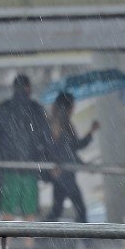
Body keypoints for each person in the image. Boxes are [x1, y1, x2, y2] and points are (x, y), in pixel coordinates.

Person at [0, 74, 52, 221]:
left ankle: (4, 243)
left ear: (13, 88)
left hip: (8, 167)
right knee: (30, 213)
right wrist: (45, 160)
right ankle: (27, 243)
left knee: (7, 212)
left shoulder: (2, 109)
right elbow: (45, 139)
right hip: (30, 167)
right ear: (28, 88)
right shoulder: (37, 110)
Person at [46, 93, 99, 223]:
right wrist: (84, 165)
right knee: (81, 210)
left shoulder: (57, 123)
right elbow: (70, 151)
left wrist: (91, 132)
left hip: (61, 174)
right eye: (72, 105)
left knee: (56, 210)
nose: (74, 108)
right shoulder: (61, 125)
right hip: (66, 175)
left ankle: (39, 236)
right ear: (67, 107)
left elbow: (73, 148)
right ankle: (86, 240)